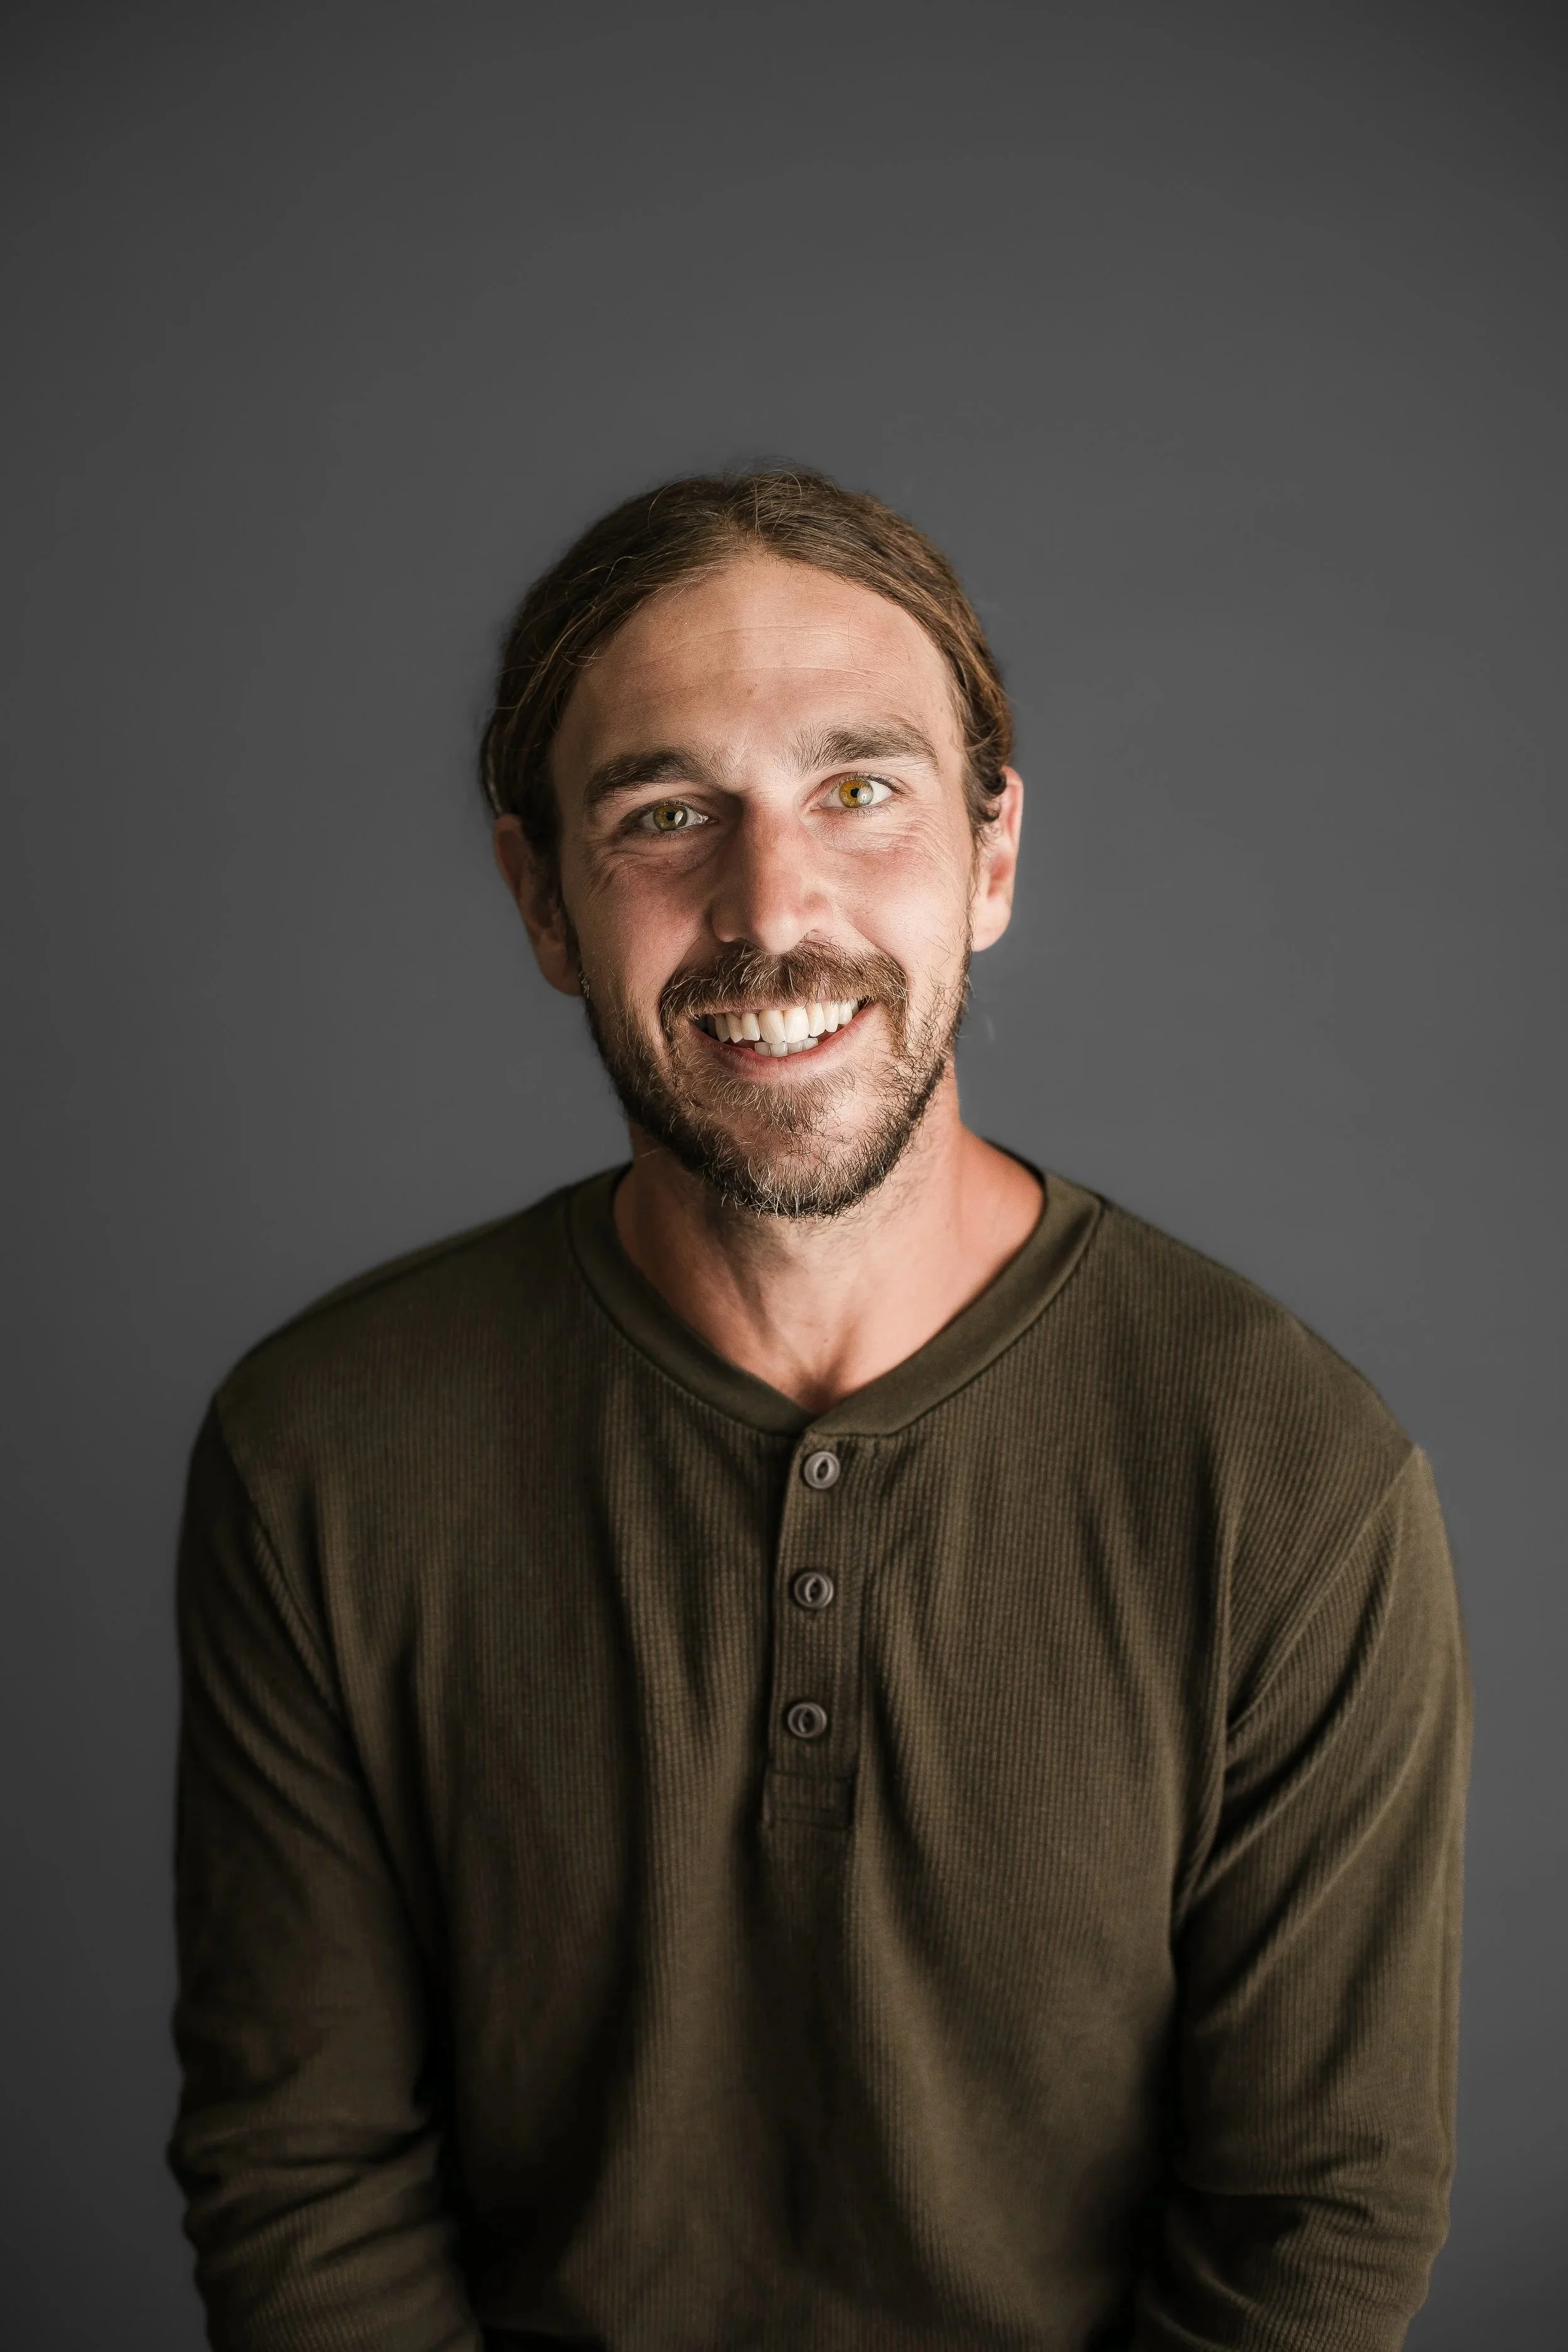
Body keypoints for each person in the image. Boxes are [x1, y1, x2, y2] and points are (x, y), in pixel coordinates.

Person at [168, 470, 1470, 2352]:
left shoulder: (1290, 1476)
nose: (771, 907)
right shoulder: (322, 1453)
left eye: (858, 790)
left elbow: (1315, 2227)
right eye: (665, 812)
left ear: (992, 855)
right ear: (540, 894)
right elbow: (301, 2180)